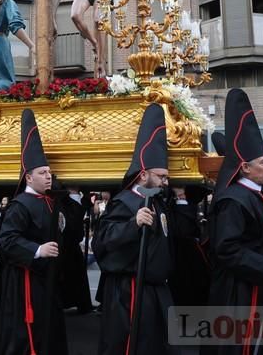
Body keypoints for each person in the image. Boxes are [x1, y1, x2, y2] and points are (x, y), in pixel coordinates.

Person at [207, 88, 263, 355]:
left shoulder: (256, 191)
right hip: (240, 293)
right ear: (244, 167)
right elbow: (226, 250)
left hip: (259, 282)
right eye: (261, 162)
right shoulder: (233, 200)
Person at [93, 104, 179, 354]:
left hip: (156, 289)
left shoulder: (159, 201)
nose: (165, 182)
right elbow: (102, 240)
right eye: (161, 176)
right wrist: (133, 224)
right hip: (130, 290)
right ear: (143, 175)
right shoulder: (124, 202)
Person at [0, 109, 68, 355]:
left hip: (47, 279)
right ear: (28, 177)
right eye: (42, 173)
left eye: (49, 172)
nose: (49, 177)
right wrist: (37, 250)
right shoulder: (20, 205)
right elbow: (6, 241)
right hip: (26, 281)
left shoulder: (49, 201)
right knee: (29, 336)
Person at [58, 184, 93, 313]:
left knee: (76, 274)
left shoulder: (71, 201)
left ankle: (79, 303)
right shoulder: (65, 201)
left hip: (70, 245)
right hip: (65, 244)